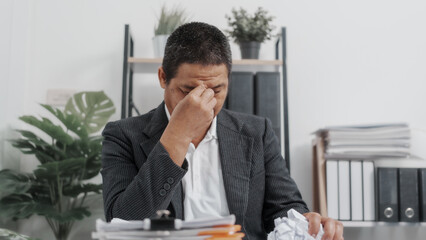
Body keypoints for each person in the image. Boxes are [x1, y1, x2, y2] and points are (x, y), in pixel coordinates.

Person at [101, 22, 343, 240]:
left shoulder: (257, 132)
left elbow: (285, 209)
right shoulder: (122, 135)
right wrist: (179, 134)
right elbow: (122, 222)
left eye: (216, 90)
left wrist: (308, 224)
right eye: (188, 91)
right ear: (163, 77)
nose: (203, 101)